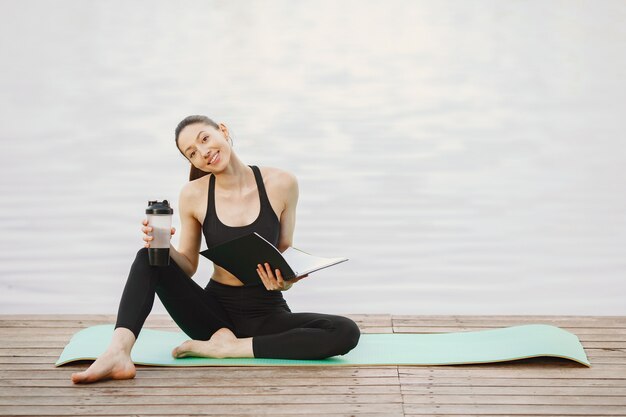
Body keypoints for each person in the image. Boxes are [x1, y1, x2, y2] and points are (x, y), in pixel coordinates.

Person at [71, 115, 361, 384]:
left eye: (204, 139)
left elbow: (284, 251)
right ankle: (118, 352)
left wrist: (286, 281)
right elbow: (188, 266)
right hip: (212, 316)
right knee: (146, 257)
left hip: (267, 313)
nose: (202, 152)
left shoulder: (282, 183)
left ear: (223, 130)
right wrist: (163, 247)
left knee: (345, 331)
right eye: (192, 152)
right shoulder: (193, 194)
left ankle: (232, 349)